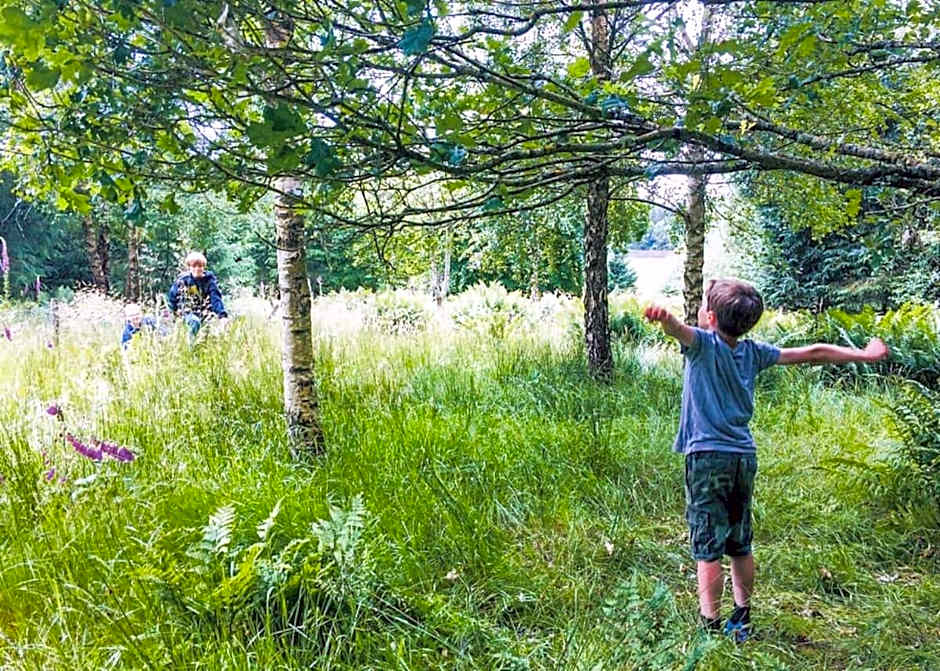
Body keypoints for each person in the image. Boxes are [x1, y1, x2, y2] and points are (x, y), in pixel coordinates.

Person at [644, 278, 889, 642]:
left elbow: (677, 329)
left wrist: (664, 318)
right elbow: (813, 352)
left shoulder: (702, 345)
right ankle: (742, 617)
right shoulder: (753, 352)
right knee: (740, 541)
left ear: (709, 317)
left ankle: (709, 626)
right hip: (743, 457)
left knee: (708, 546)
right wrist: (864, 355)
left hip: (708, 458)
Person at [167, 251, 228, 335]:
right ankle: (190, 347)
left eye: (200, 266)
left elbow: (216, 299)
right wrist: (171, 315)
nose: (197, 269)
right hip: (187, 313)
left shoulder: (210, 282)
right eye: (194, 266)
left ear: (204, 267)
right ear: (189, 267)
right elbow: (172, 299)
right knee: (194, 322)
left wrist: (222, 316)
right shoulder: (183, 281)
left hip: (205, 314)